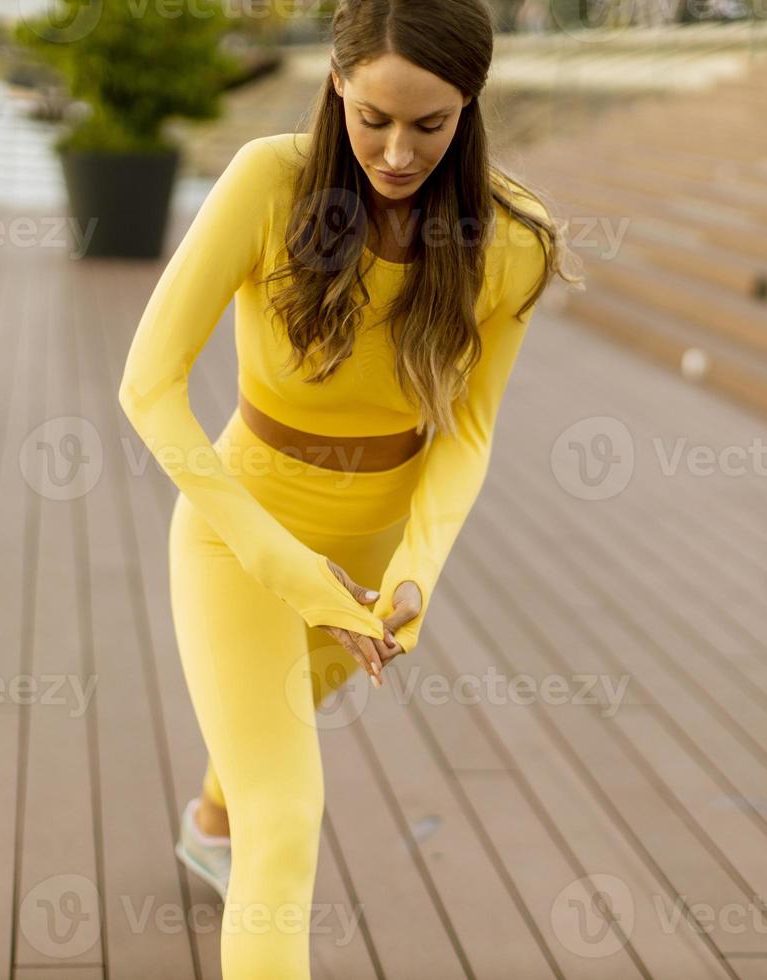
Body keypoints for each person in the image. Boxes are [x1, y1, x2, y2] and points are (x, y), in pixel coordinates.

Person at [118, 1, 580, 975]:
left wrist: (417, 569)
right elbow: (147, 388)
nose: (399, 151)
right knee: (284, 821)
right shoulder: (267, 182)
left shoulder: (515, 239)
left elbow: (470, 428)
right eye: (374, 118)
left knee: (266, 735)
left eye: (430, 123)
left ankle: (207, 819)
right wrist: (277, 559)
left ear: (470, 105)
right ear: (337, 84)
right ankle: (228, 827)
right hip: (242, 533)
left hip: (373, 558)